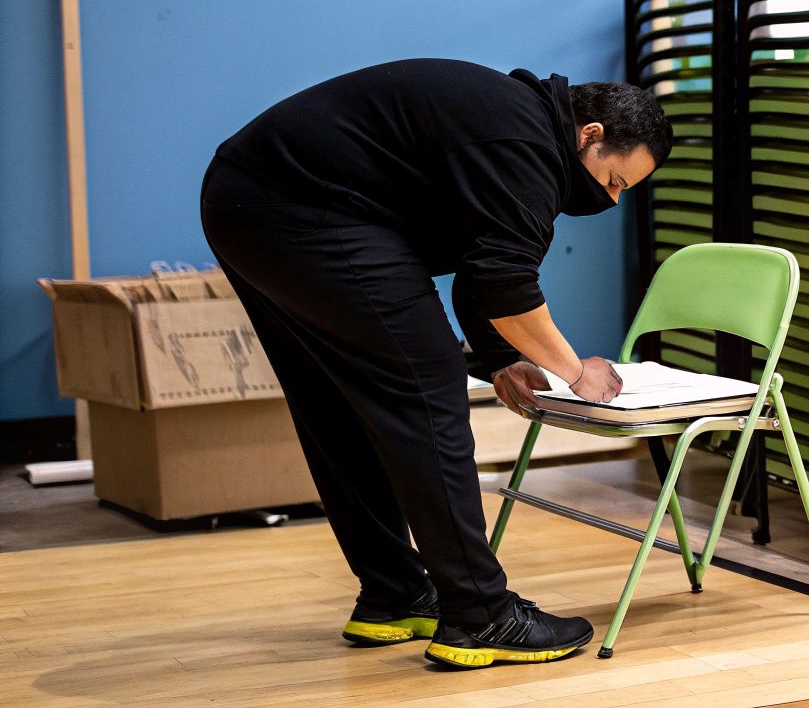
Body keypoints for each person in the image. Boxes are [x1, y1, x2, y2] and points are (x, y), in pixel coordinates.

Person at [200, 58, 671, 669]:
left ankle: (395, 594)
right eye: (614, 181)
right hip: (306, 210)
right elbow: (505, 280)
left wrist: (503, 358)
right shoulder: (524, 142)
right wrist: (575, 372)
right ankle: (481, 616)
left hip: (249, 202)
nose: (609, 200)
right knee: (429, 391)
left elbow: (482, 265)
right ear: (591, 135)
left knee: (337, 402)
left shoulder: (518, 126)